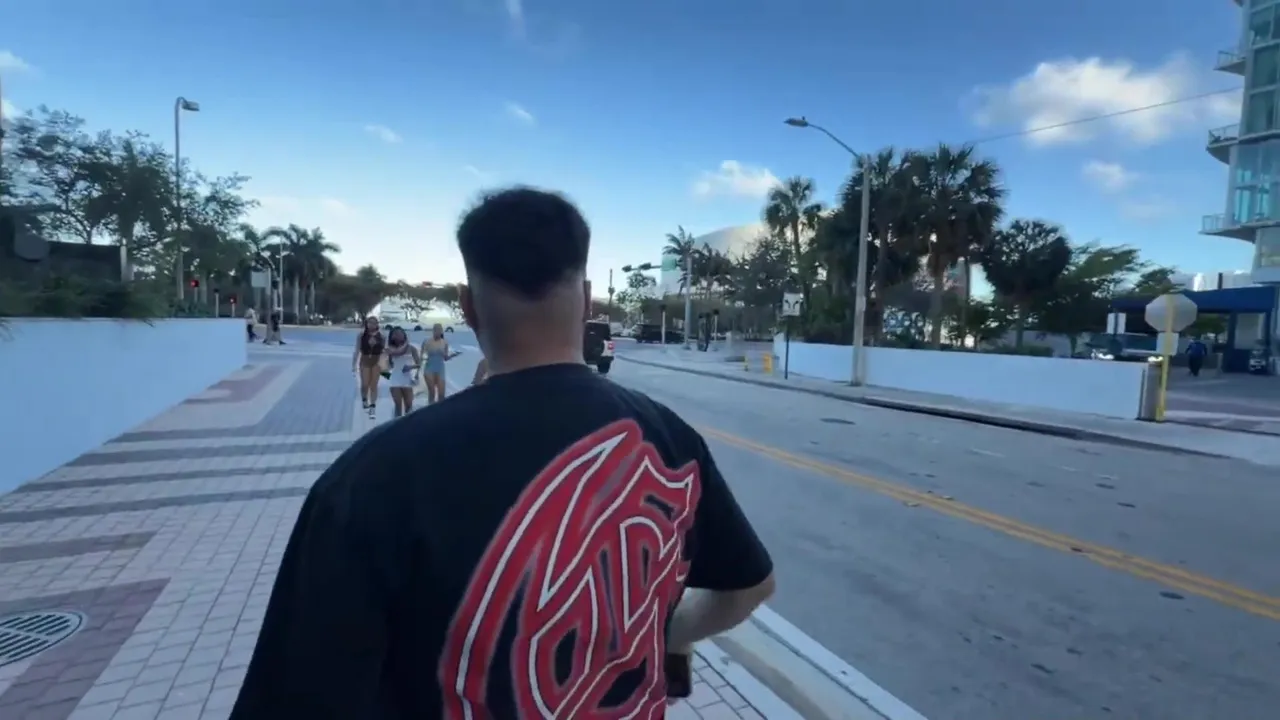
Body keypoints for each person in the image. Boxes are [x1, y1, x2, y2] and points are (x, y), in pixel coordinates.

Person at [230, 186, 775, 719]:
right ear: (587, 300)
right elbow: (750, 586)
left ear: (467, 306)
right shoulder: (672, 438)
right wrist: (665, 631)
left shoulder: (374, 475)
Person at [419, 323, 461, 404]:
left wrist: (452, 355)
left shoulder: (445, 342)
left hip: (440, 368)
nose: (438, 331)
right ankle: (431, 409)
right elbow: (421, 356)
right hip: (429, 368)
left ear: (442, 331)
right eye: (436, 329)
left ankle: (440, 409)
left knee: (441, 394)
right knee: (432, 392)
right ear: (433, 331)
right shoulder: (427, 341)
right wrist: (418, 370)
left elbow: (445, 358)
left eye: (439, 329)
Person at [352, 316, 385, 418]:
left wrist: (386, 366)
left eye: (374, 323)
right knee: (365, 383)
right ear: (366, 324)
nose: (372, 325)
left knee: (374, 385)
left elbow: (385, 351)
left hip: (377, 360)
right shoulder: (362, 335)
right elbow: (357, 350)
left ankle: (373, 406)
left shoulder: (382, 336)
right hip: (365, 360)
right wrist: (354, 364)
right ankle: (364, 399)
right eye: (370, 323)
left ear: (377, 324)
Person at [385, 326, 421, 418]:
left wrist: (410, 367)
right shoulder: (389, 349)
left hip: (407, 379)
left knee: (409, 406)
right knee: (398, 406)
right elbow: (386, 365)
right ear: (392, 336)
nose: (398, 335)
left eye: (400, 333)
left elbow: (419, 364)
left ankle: (409, 424)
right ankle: (396, 423)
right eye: (396, 334)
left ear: (404, 335)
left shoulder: (412, 348)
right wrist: (388, 374)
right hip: (394, 380)